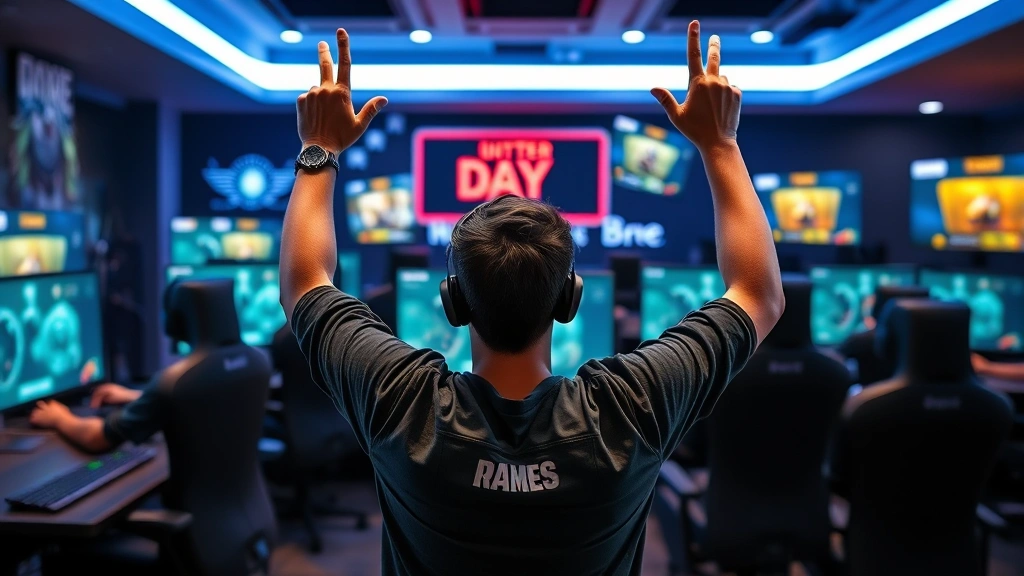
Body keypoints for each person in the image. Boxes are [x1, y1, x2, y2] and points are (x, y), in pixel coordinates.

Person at [279, 21, 784, 576]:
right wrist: (720, 144)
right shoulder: (628, 412)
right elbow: (759, 294)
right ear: (571, 300)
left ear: (452, 302)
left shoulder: (403, 406)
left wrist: (318, 148)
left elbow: (305, 282)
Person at [29, 382, 149, 452]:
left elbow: (98, 436)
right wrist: (132, 396)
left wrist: (59, 418)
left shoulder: (165, 385)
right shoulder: (167, 383)